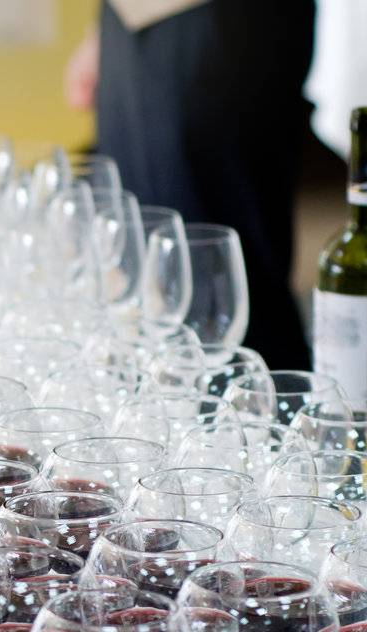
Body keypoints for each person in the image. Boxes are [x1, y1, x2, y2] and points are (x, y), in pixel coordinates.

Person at [66, 0, 317, 369]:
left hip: (213, 19)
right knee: (140, 252)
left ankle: (264, 408)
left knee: (216, 272)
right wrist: (101, 30)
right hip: (133, 19)